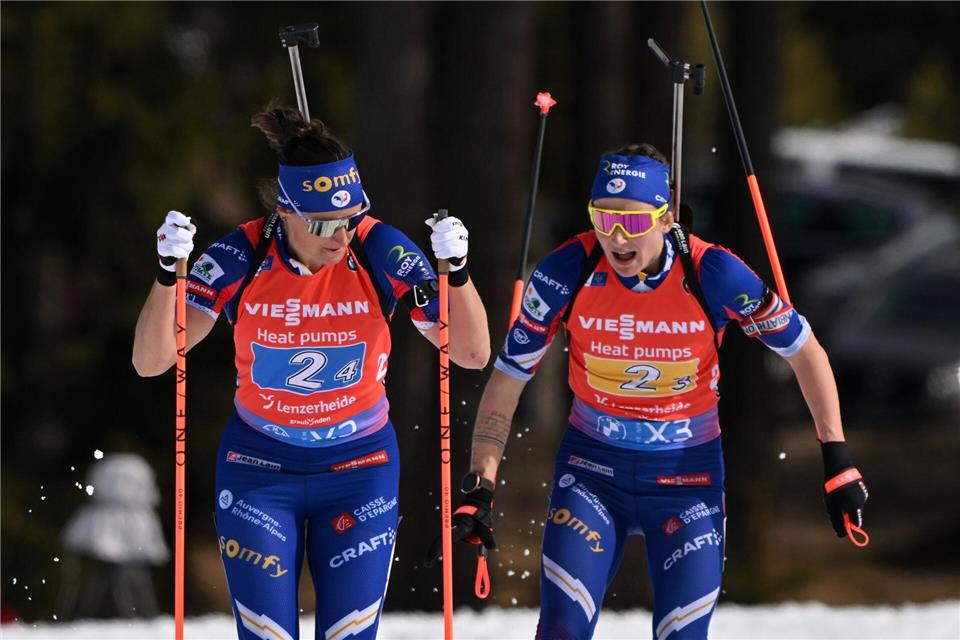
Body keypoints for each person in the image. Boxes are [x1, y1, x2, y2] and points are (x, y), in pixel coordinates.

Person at [443, 144, 869, 639]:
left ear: (666, 220)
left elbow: (804, 351)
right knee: (561, 629)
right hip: (592, 473)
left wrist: (836, 458)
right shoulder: (566, 271)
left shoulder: (714, 273)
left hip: (686, 477)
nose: (617, 237)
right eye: (603, 218)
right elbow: (508, 379)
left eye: (635, 222)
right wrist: (481, 483)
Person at [132, 103, 490, 640]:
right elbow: (151, 361)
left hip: (359, 465)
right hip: (259, 467)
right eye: (323, 222)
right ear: (286, 210)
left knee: (349, 633)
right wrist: (167, 276)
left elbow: (470, 353)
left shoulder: (378, 249)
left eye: (349, 217)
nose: (339, 234)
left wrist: (456, 275)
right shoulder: (244, 254)